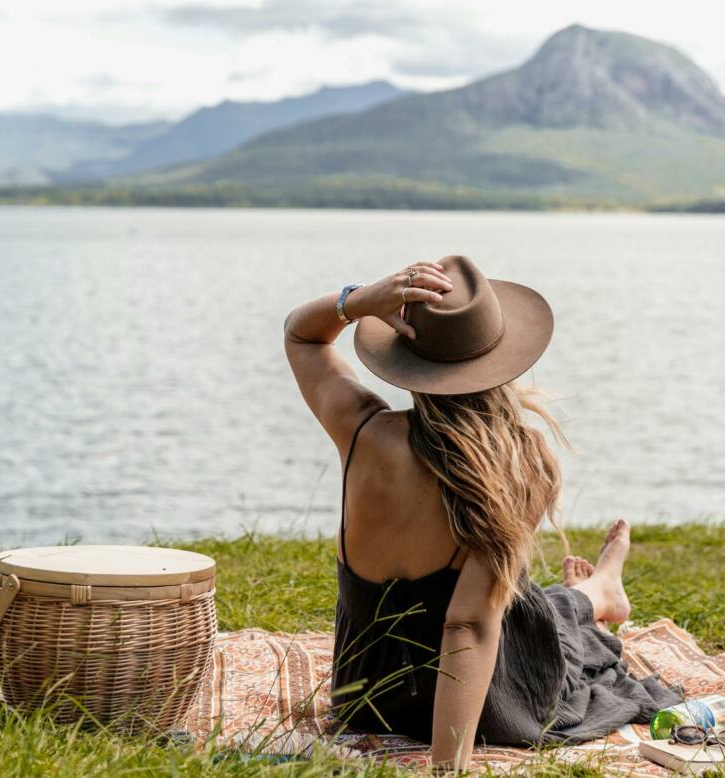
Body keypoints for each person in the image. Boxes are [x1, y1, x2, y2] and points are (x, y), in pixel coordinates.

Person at [283, 255, 678, 771]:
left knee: (527, 603)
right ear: (500, 360)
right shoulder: (520, 466)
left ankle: (599, 591)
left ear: (407, 358)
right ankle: (601, 591)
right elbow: (467, 626)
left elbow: (302, 337)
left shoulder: (361, 429)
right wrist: (449, 769)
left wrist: (357, 302)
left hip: (366, 698)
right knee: (532, 612)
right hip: (487, 708)